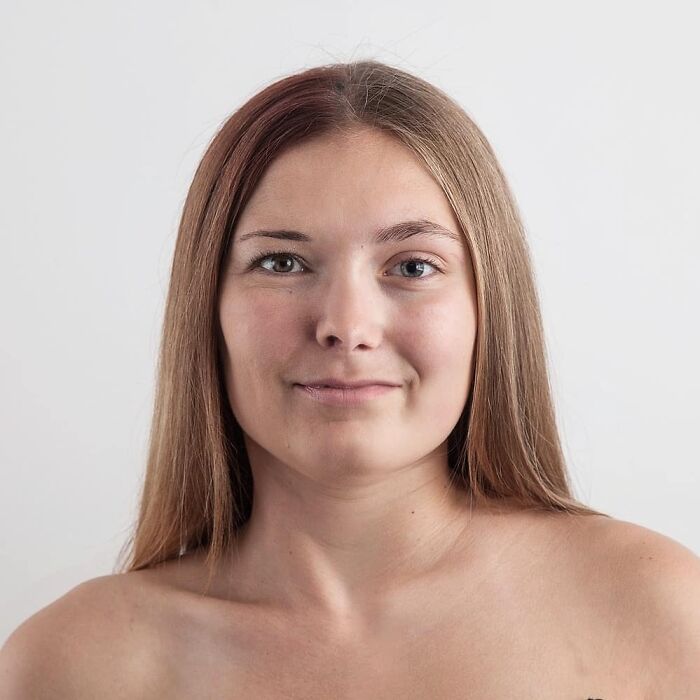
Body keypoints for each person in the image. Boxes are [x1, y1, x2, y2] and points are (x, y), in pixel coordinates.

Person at [2, 59, 699, 698]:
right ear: (205, 308)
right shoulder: (69, 667)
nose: (346, 325)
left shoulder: (660, 612)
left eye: (413, 266)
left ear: (490, 307)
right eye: (282, 263)